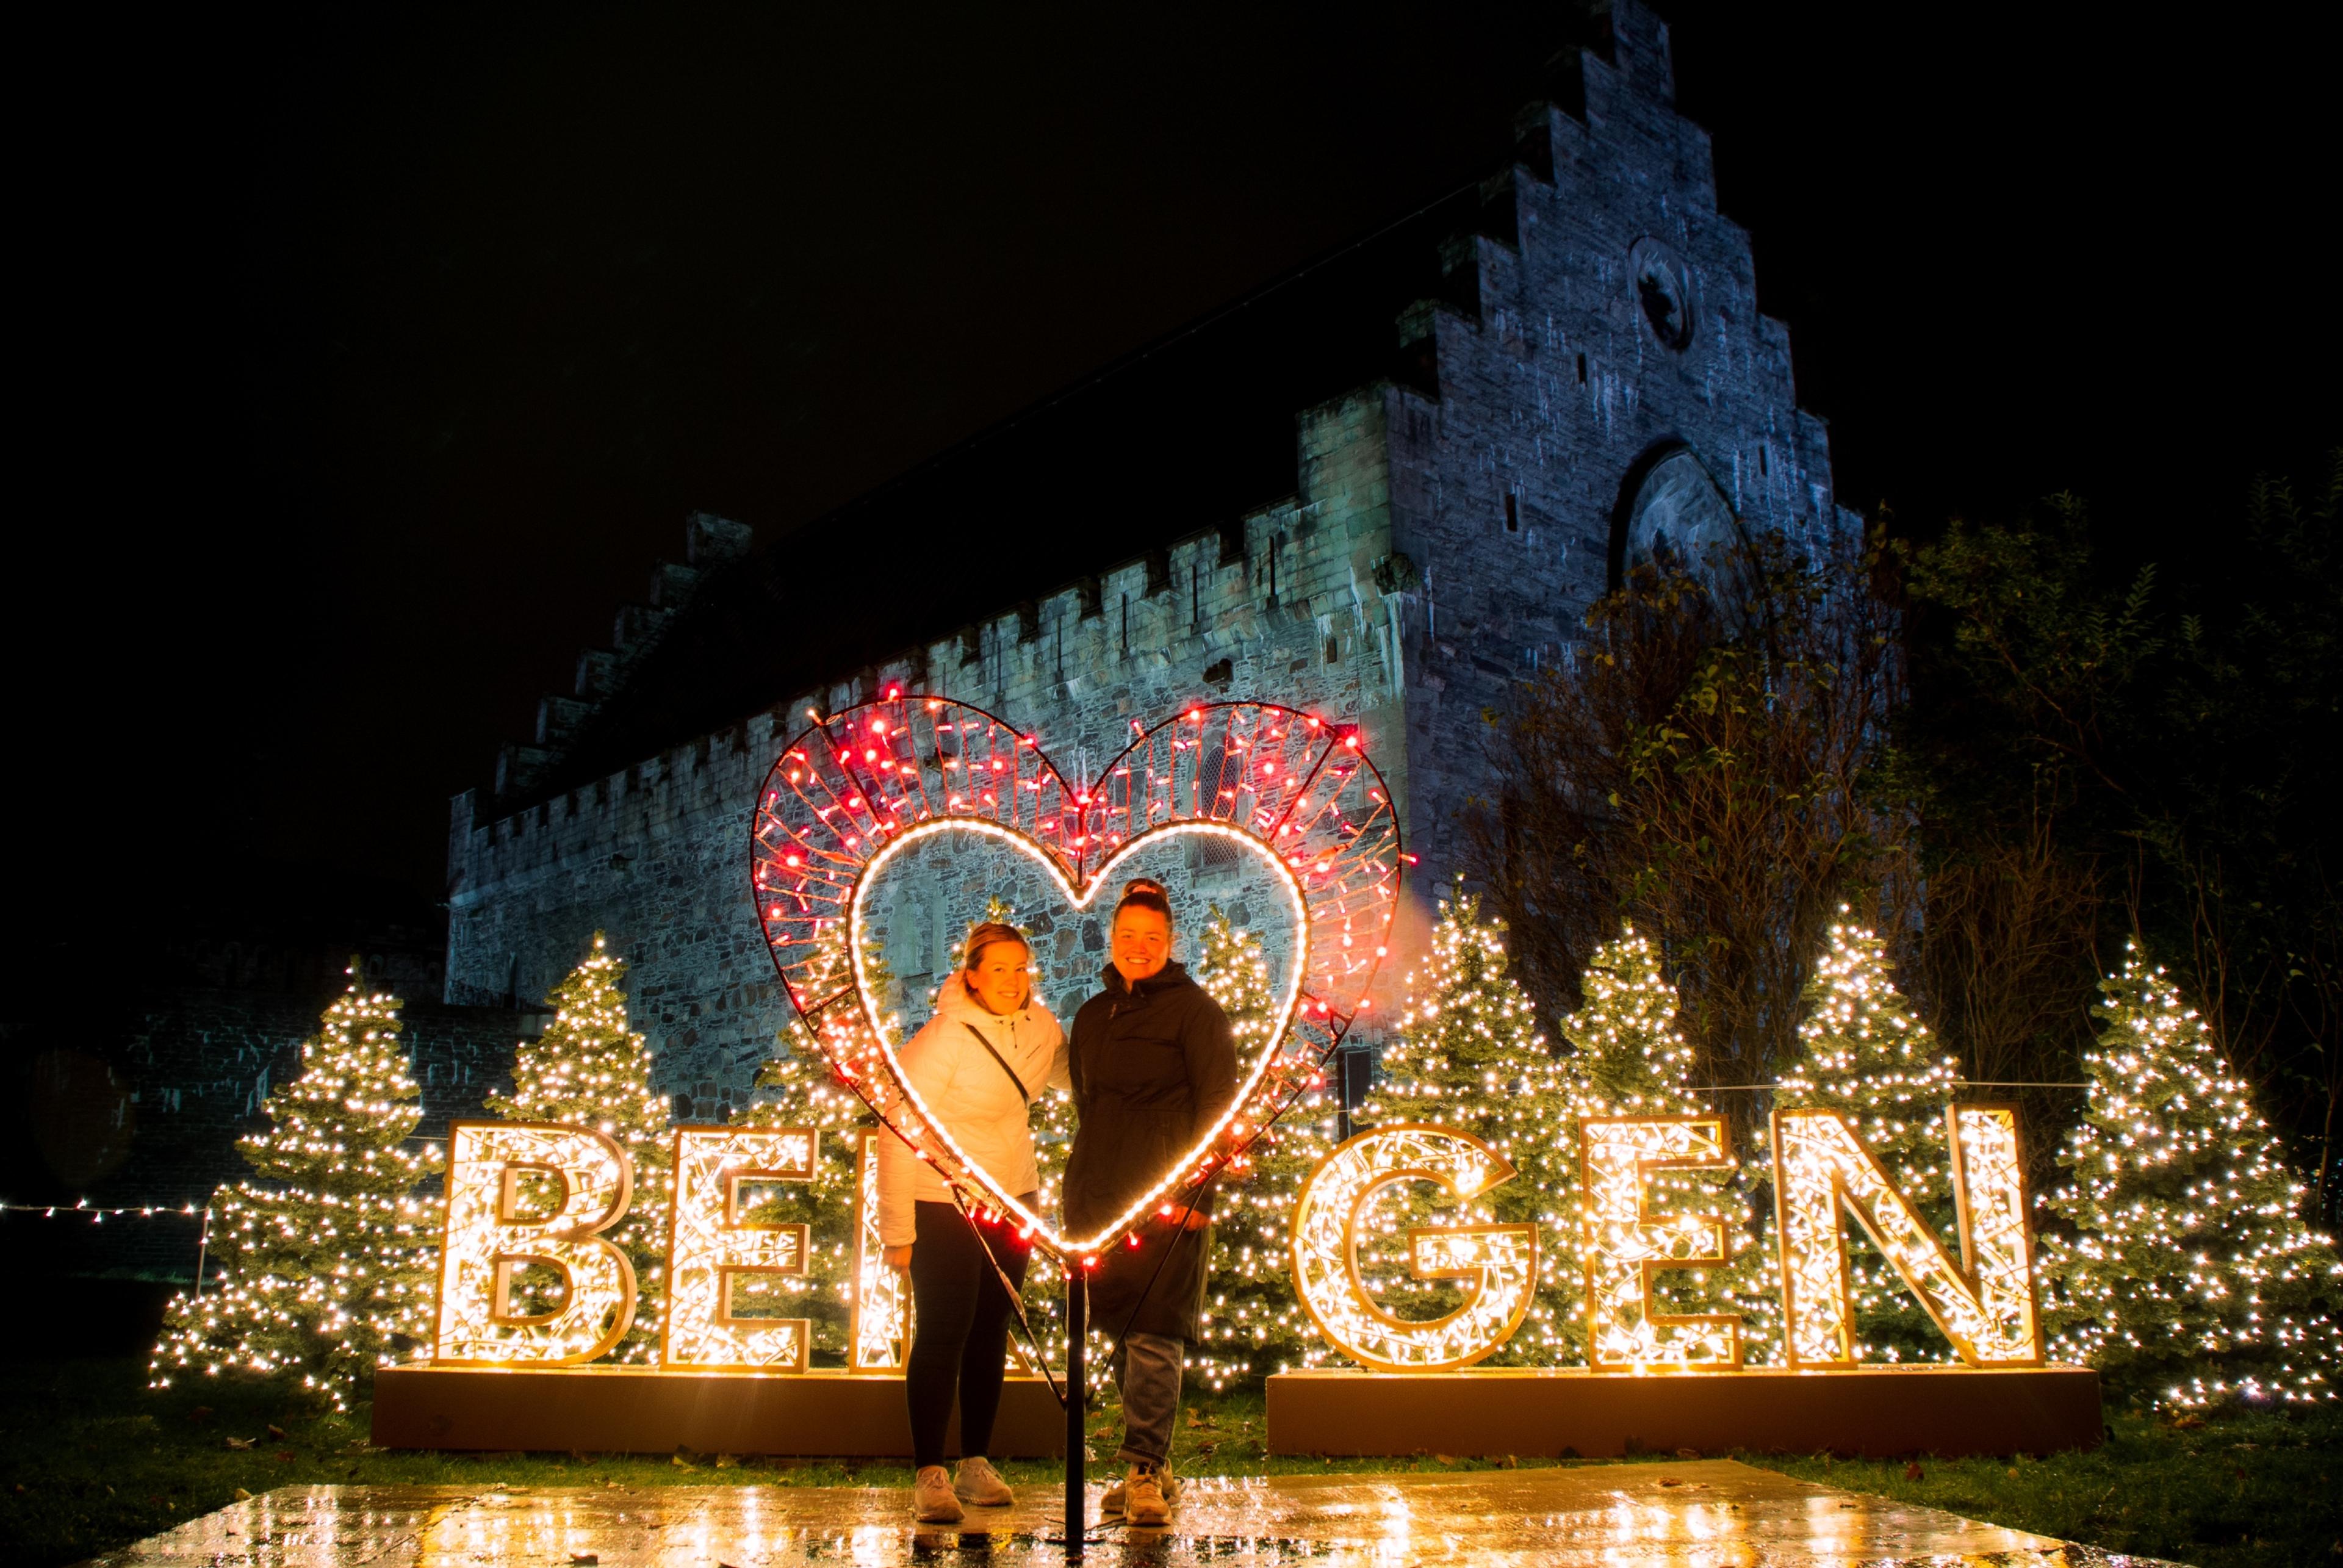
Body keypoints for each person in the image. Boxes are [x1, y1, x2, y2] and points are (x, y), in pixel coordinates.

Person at [878, 921, 1069, 1525]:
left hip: (1016, 1197)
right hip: (947, 1201)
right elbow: (896, 1126)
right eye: (998, 969)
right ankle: (929, 1471)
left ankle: (975, 1461)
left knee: (992, 1330)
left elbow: (1077, 1079)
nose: (1012, 981)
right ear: (971, 975)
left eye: (1021, 969)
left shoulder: (1043, 1028)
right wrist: (898, 1229)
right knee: (943, 1331)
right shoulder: (944, 1037)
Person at [1062, 878, 1237, 1527]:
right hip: (1098, 1193)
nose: (1139, 948)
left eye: (1153, 938)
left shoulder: (1197, 1013)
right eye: (1128, 936)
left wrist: (1195, 1192)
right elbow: (1088, 1102)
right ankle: (1153, 1459)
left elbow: (1220, 1109)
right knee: (1114, 1326)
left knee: (1156, 1329)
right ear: (1112, 937)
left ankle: (1141, 1467)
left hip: (1168, 1193)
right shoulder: (1090, 1016)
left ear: (1171, 942)